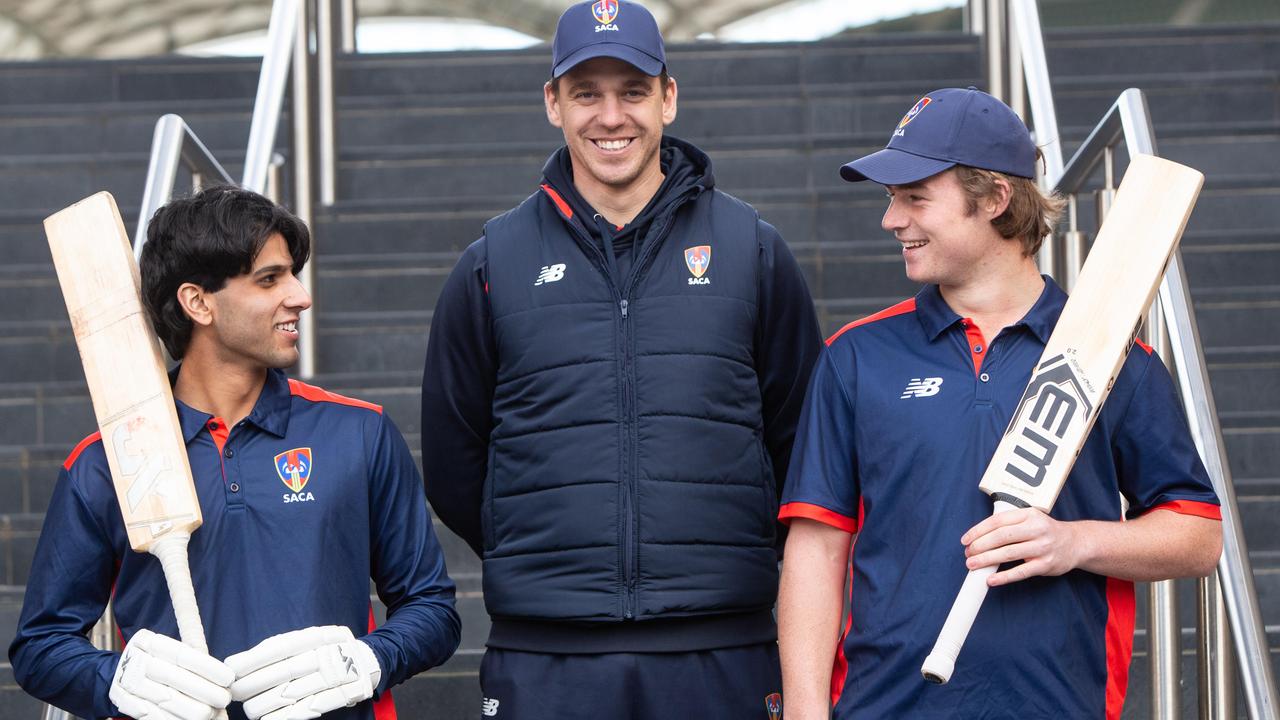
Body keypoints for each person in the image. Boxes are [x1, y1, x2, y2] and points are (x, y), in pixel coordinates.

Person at [420, 1, 822, 717]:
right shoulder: (492, 264)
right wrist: (547, 553)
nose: (612, 116)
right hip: (547, 658)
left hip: (722, 651)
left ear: (668, 96)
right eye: (587, 93)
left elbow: (802, 440)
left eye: (632, 90)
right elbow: (455, 465)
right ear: (553, 104)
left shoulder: (753, 251)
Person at [776, 87, 1223, 719]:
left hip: (1060, 704)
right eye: (891, 199)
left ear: (993, 198)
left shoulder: (1115, 359)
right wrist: (803, 711)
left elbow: (1198, 535)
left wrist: (1074, 543)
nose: (891, 219)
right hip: (884, 706)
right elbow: (816, 550)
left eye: (915, 197)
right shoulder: (857, 357)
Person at [11, 187, 460, 720]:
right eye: (269, 280)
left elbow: (432, 609)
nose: (300, 295)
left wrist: (369, 658)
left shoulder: (359, 432)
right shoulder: (105, 462)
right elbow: (41, 645)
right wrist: (116, 680)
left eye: (292, 273)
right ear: (197, 302)